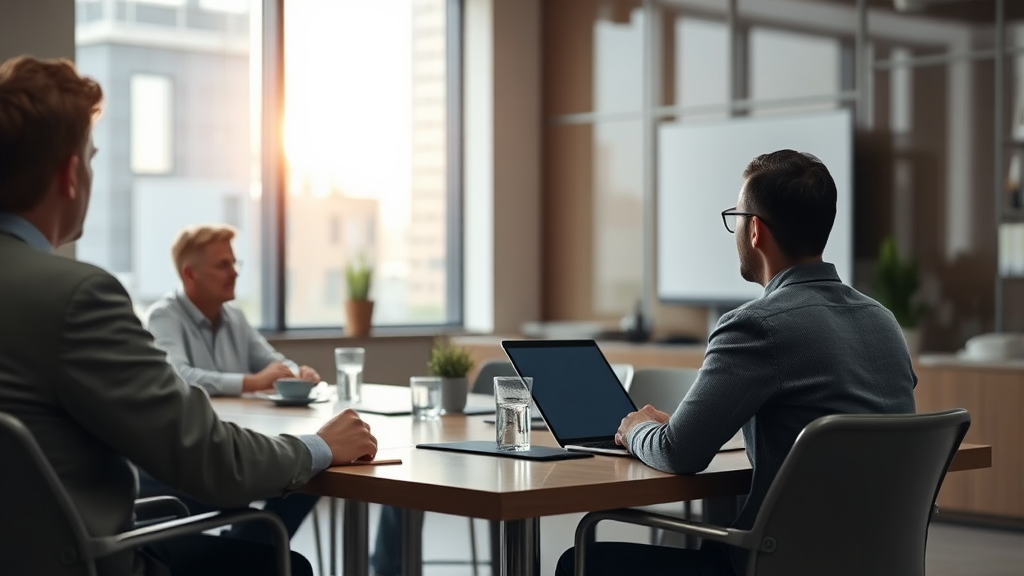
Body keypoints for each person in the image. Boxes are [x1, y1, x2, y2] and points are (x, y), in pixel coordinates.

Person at [0, 55, 377, 576]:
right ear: (70, 174)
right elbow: (209, 461)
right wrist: (320, 445)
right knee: (282, 562)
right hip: (86, 562)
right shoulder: (77, 297)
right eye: (90, 158)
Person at [556, 150, 918, 576]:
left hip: (775, 563)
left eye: (736, 217)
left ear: (755, 231)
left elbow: (678, 452)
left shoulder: (756, 326)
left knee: (577, 559)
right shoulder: (883, 321)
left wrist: (636, 429)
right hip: (875, 561)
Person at [138, 224, 321, 542]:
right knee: (297, 472)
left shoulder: (235, 317)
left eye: (235, 263)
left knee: (310, 475)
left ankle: (245, 550)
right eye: (223, 264)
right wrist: (251, 382)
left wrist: (296, 373)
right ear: (189, 274)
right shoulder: (163, 317)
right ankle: (249, 552)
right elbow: (178, 376)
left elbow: (271, 361)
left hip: (240, 441)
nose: (234, 272)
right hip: (197, 453)